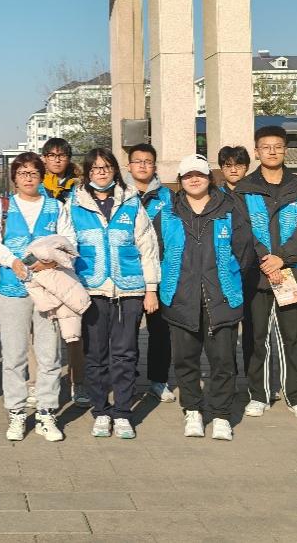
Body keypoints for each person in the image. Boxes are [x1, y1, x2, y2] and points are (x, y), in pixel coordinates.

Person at [155, 154, 255, 441]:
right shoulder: (168, 213)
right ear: (180, 180)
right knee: (185, 360)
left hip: (221, 296)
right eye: (188, 175)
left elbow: (244, 252)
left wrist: (227, 277)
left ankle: (221, 414)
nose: (194, 179)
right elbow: (158, 252)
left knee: (223, 360)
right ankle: (193, 411)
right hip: (181, 297)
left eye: (199, 174)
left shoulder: (230, 209)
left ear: (209, 178)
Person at [68, 148, 160, 440]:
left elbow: (148, 247)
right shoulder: (73, 204)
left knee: (125, 354)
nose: (101, 172)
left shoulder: (131, 201)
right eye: (95, 168)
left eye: (106, 167)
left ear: (115, 171)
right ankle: (100, 410)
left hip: (129, 290)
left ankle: (122, 412)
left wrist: (151, 289)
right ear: (87, 172)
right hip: (91, 290)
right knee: (95, 355)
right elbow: (66, 247)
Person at [0, 152, 74, 443]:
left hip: (49, 289)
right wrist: (11, 261)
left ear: (41, 176)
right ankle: (17, 412)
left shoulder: (56, 207)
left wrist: (52, 261)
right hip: (13, 289)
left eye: (33, 173)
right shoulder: (3, 207)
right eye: (22, 173)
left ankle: (47, 411)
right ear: (14, 178)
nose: (28, 178)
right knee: (14, 354)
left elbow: (70, 241)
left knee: (49, 354)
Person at [234, 126, 297, 422]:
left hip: (291, 274)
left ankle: (296, 395)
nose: (272, 151)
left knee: (294, 338)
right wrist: (266, 260)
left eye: (278, 146)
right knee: (257, 338)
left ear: (285, 150)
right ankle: (258, 394)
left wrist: (282, 258)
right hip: (256, 276)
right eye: (266, 147)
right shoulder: (244, 189)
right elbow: (242, 231)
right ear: (256, 151)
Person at [123, 143, 175, 404]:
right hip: (128, 275)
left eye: (148, 161)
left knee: (161, 331)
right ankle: (127, 379)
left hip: (162, 274)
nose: (142, 165)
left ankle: (158, 380)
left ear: (155, 166)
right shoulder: (120, 195)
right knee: (126, 334)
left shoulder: (169, 197)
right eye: (137, 161)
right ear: (129, 166)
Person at [39, 137, 88, 408]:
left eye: (62, 155)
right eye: (52, 155)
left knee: (74, 332)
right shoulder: (36, 185)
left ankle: (77, 383)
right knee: (41, 329)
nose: (57, 159)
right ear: (44, 158)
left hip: (72, 264)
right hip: (41, 267)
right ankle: (39, 384)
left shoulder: (79, 187)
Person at [218, 144, 256, 376]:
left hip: (254, 271)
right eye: (228, 165)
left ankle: (254, 381)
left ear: (247, 167)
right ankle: (227, 379)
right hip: (225, 273)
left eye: (239, 165)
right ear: (222, 168)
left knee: (254, 329)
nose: (233, 170)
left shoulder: (255, 195)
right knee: (227, 331)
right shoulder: (214, 197)